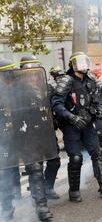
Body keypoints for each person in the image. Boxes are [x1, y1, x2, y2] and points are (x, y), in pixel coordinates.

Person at [52, 52, 102, 202]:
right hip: (71, 126)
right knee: (76, 158)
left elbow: (98, 98)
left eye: (85, 61)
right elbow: (56, 105)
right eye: (79, 62)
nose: (83, 65)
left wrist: (99, 111)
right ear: (72, 64)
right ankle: (74, 191)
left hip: (88, 124)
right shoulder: (66, 80)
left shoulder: (90, 80)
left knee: (98, 153)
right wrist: (72, 117)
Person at [0, 58, 54, 222]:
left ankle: (41, 205)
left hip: (26, 135)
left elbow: (39, 111)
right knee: (4, 172)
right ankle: (7, 208)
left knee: (35, 168)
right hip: (5, 138)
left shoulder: (26, 89)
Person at [19, 56, 62, 199]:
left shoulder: (47, 86)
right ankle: (37, 194)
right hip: (29, 133)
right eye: (28, 73)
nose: (32, 76)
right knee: (35, 166)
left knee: (55, 161)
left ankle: (48, 186)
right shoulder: (18, 91)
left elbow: (53, 105)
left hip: (47, 131)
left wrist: (55, 119)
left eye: (34, 72)